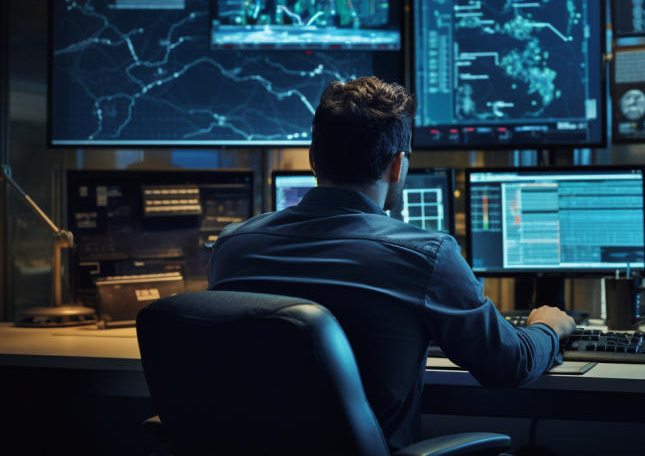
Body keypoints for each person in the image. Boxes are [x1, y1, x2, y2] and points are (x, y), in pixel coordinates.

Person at [208, 76, 576, 450]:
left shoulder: (233, 246)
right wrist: (547, 328)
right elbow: (509, 364)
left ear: (313, 158)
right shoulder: (426, 256)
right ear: (398, 165)